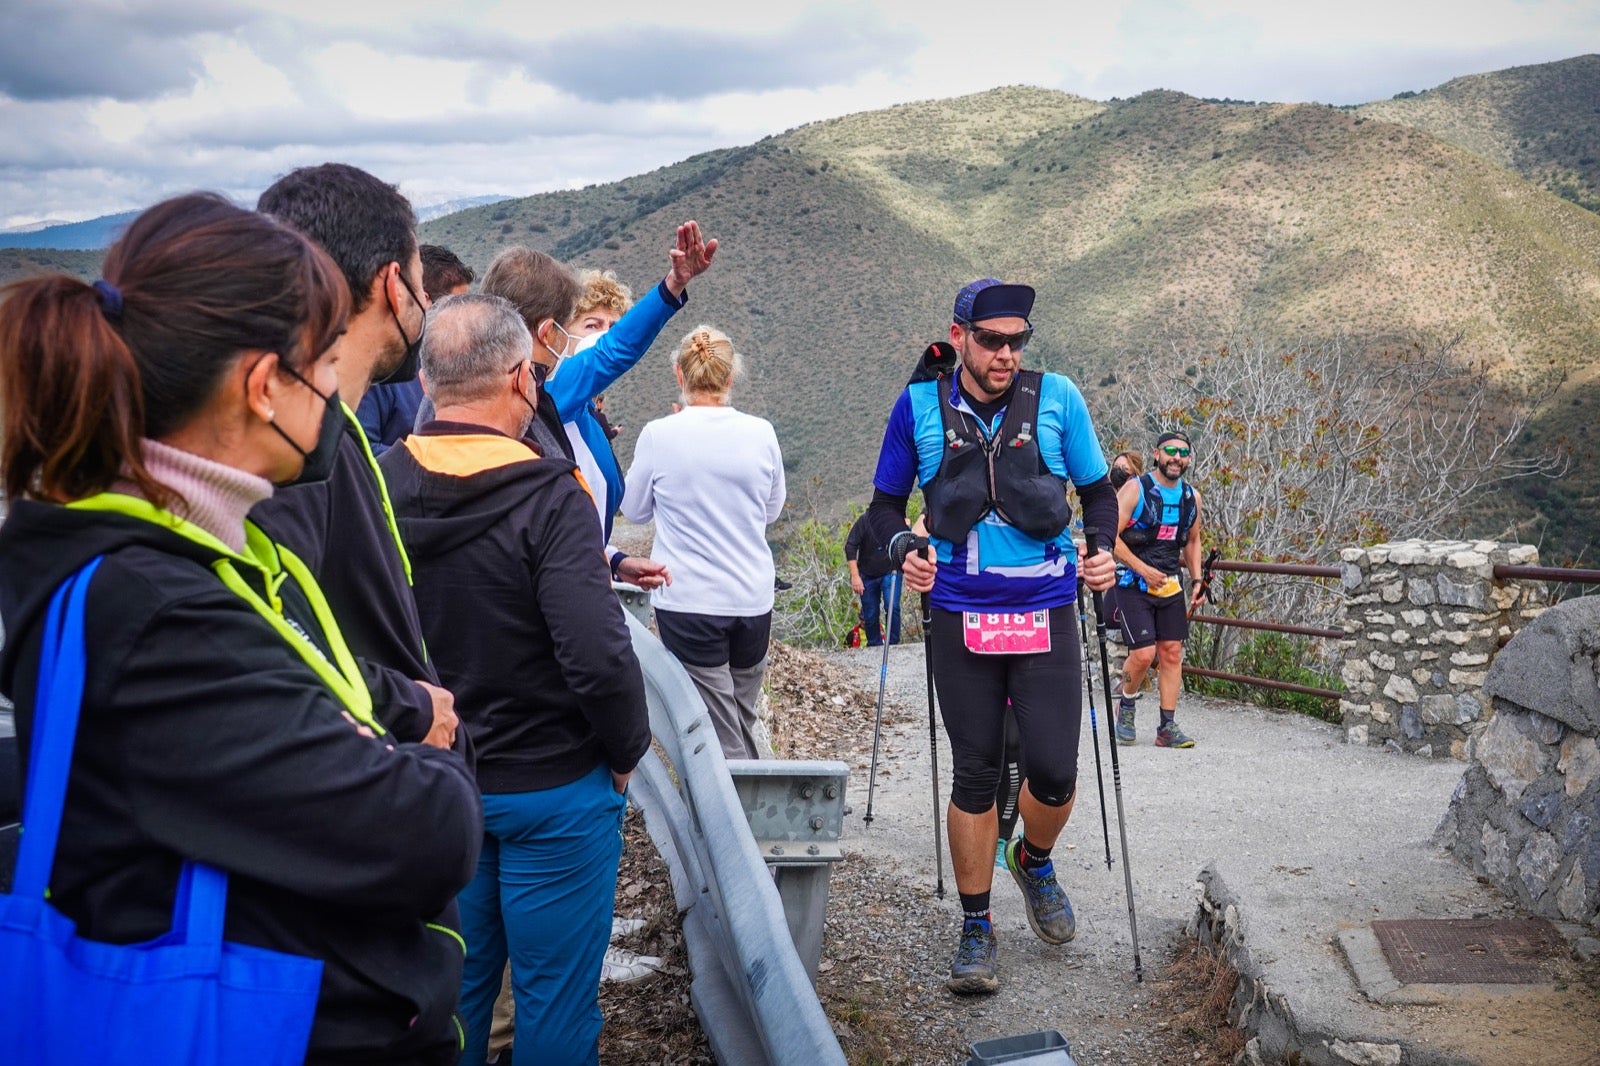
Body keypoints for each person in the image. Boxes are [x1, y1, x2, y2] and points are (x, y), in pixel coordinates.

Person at [0, 193, 482, 1063]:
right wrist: (434, 757)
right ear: (265, 387)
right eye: (324, 363)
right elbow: (425, 832)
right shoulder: (152, 610)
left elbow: (297, 687)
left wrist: (393, 710)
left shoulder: (212, 552)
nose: (336, 391)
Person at [380, 294, 651, 1066]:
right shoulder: (548, 494)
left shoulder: (377, 487)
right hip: (552, 787)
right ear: (521, 379)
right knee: (555, 1001)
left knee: (452, 997)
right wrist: (626, 751)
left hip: (431, 783)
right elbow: (596, 654)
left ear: (428, 383)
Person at [865, 278, 1117, 995]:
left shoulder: (1059, 397)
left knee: (1056, 770)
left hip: (1045, 609)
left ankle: (1033, 859)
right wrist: (901, 552)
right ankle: (977, 927)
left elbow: (1097, 493)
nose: (1006, 354)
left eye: (1018, 341)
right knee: (976, 769)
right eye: (992, 340)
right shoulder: (919, 406)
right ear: (961, 335)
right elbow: (884, 508)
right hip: (959, 611)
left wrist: (1099, 545)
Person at [252, 163, 458, 751]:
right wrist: (405, 708)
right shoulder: (291, 453)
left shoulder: (333, 434)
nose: (424, 302)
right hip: (356, 785)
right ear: (394, 286)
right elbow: (264, 631)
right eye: (422, 285)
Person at [621, 326, 786, 760]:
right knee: (741, 714)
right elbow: (771, 510)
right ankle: (758, 806)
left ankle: (736, 819)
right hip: (751, 599)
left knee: (719, 729)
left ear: (680, 374)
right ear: (731, 377)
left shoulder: (660, 435)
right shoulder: (762, 432)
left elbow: (634, 510)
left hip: (689, 599)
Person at [1112, 430, 1206, 748]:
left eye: (1182, 452)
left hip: (1169, 585)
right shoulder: (1135, 490)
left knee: (1172, 653)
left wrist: (1198, 580)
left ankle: (1167, 726)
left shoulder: (1191, 498)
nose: (1176, 457)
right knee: (1142, 654)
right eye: (1170, 451)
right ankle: (1125, 703)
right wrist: (1141, 569)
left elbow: (1192, 541)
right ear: (1156, 454)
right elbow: (1110, 536)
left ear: (1189, 458)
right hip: (1132, 582)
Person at [357, 244, 475, 454]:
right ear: (426, 301)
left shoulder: (461, 364)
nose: (466, 318)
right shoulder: (384, 371)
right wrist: (428, 459)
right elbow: (363, 450)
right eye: (458, 306)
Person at [844, 511, 900, 646]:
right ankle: (874, 645)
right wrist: (855, 576)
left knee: (892, 606)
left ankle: (892, 644)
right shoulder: (864, 520)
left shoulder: (895, 518)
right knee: (870, 613)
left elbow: (906, 542)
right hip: (867, 574)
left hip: (890, 570)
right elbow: (850, 546)